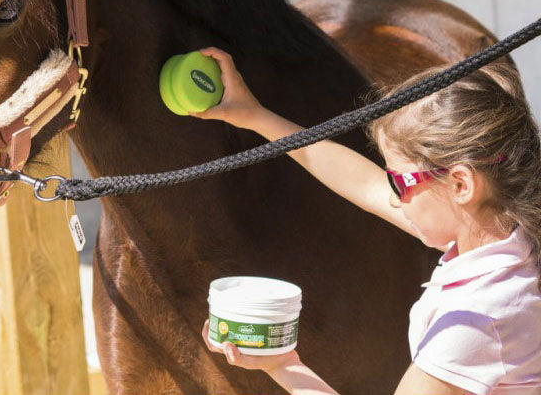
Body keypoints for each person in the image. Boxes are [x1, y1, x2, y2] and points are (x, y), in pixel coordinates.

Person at [191, 47, 541, 395]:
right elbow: (364, 184)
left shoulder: (472, 321)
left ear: (461, 185)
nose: (394, 197)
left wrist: (282, 365)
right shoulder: (511, 234)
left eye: (400, 183)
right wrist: (254, 116)